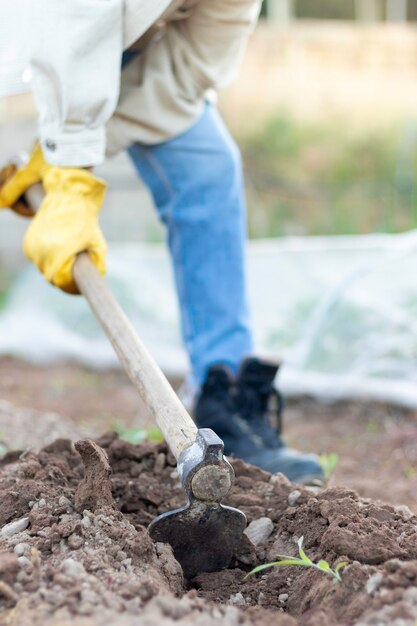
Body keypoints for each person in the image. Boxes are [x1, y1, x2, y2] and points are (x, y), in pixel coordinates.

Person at [0, 0, 323, 484]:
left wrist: (55, 160)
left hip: (126, 41)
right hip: (53, 19)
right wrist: (69, 167)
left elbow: (184, 78)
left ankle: (223, 391)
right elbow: (70, 21)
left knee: (209, 166)